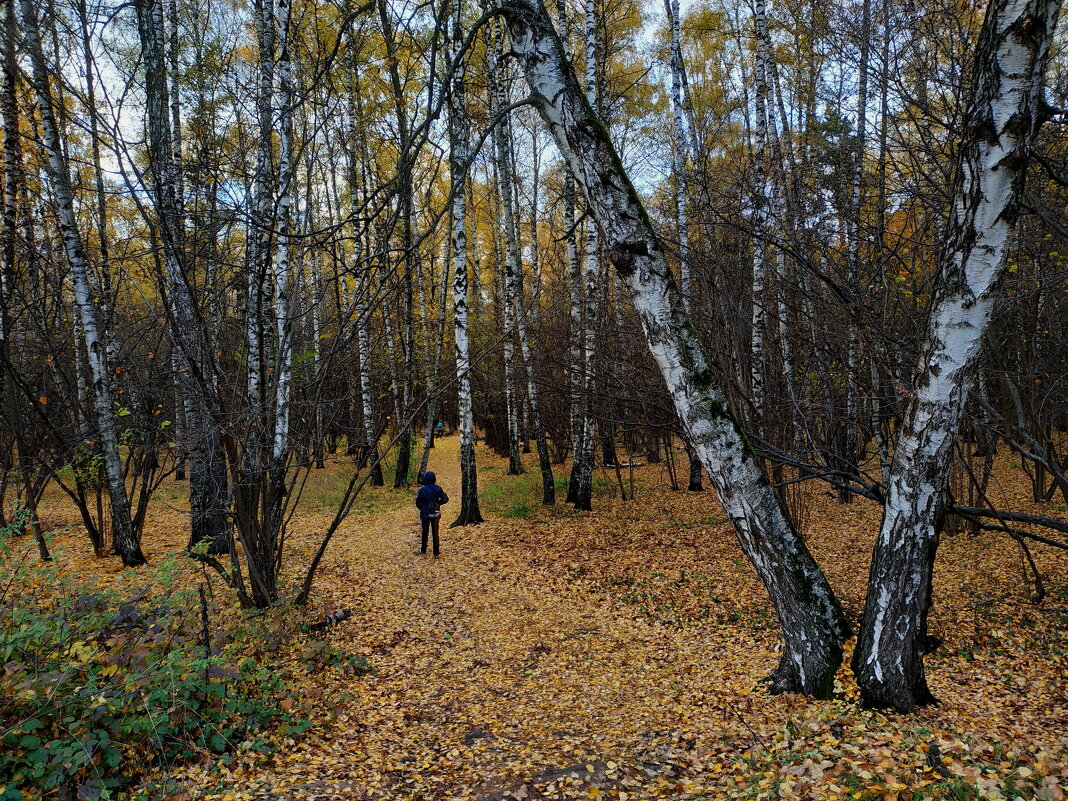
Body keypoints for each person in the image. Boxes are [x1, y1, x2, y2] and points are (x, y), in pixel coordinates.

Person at [415, 471, 449, 556]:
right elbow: (445, 499)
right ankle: (436, 552)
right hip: (435, 513)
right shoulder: (438, 488)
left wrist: (423, 508)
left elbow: (418, 503)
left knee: (425, 532)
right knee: (435, 533)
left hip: (425, 514)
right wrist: (438, 503)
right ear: (434, 479)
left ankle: (423, 550)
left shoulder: (422, 490)